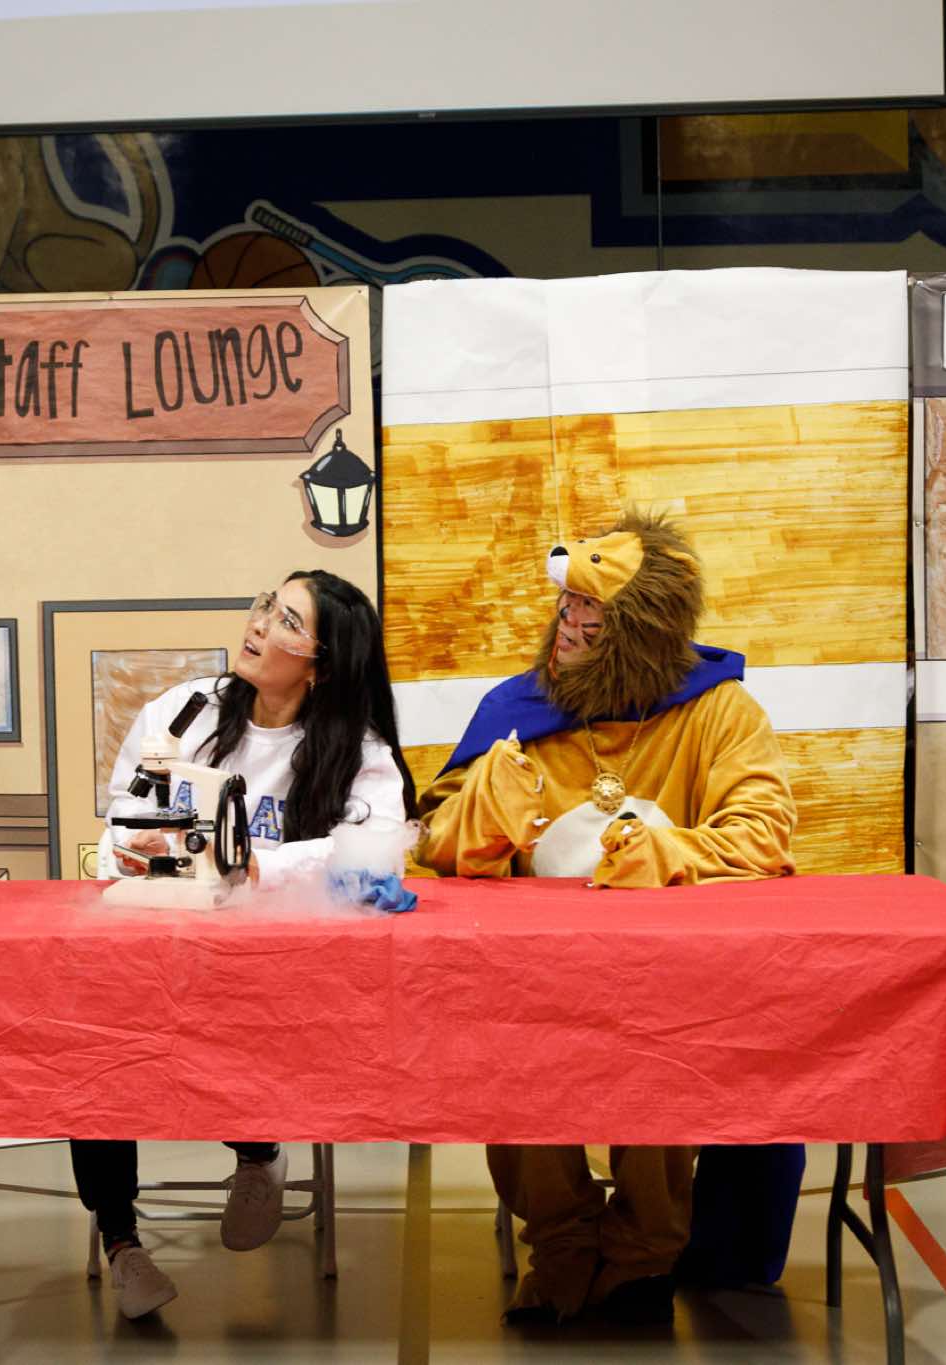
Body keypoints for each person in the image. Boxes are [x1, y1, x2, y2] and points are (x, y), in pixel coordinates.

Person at [414, 509, 796, 1328]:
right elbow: (432, 843)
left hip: (668, 975)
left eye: (591, 613)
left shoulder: (719, 711)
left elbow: (763, 833)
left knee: (665, 1045)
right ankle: (560, 1245)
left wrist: (664, 851)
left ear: (640, 636)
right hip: (533, 976)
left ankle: (643, 1255)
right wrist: (482, 816)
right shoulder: (516, 708)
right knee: (509, 1046)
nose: (568, 625)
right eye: (567, 606)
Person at [77, 570, 415, 1320]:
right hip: (165, 950)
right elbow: (122, 819)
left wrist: (258, 862)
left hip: (275, 979)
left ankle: (257, 1149)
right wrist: (134, 849)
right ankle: (121, 1239)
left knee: (224, 1019)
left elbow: (378, 855)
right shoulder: (185, 711)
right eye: (267, 605)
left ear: (321, 663)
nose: (259, 623)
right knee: (94, 1037)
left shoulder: (356, 750)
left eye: (287, 619)